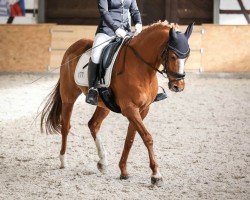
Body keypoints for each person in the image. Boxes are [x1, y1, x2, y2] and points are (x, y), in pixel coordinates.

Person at [86, 0, 143, 105]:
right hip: (107, 31)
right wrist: (116, 29)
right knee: (96, 54)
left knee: (139, 51)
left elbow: (134, 11)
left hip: (126, 32)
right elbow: (104, 12)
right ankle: (92, 89)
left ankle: (147, 88)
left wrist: (138, 23)